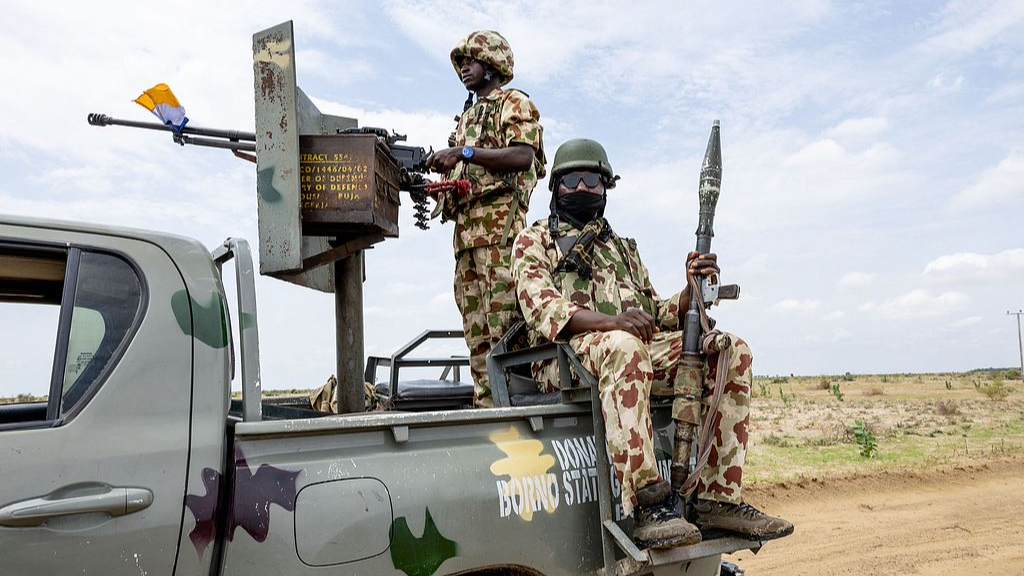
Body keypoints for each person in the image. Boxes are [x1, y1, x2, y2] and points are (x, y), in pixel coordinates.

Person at [510, 138, 792, 549]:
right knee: (625, 346)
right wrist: (614, 323)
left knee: (730, 349)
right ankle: (648, 504)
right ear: (555, 188)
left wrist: (689, 290)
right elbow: (545, 311)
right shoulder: (533, 241)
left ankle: (717, 499)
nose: (583, 188)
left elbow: (655, 312)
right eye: (572, 179)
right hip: (565, 358)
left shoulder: (623, 248)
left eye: (593, 179)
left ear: (606, 188)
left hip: (632, 352)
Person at [425, 30, 545, 406]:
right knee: (475, 334)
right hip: (465, 240)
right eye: (461, 62)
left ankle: (516, 411)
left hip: (501, 236)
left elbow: (522, 156)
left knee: (506, 331)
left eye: (471, 61)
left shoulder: (513, 103)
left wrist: (464, 152)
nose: (464, 67)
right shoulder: (466, 117)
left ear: (492, 65)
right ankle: (486, 409)